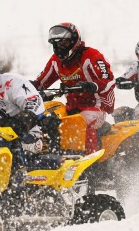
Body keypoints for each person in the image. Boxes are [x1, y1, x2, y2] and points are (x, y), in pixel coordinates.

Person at [32, 22, 115, 153]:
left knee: (81, 123)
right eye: (58, 44)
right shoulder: (56, 61)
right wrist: (26, 87)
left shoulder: (91, 55)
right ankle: (47, 156)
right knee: (45, 120)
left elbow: (110, 81)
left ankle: (92, 165)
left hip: (97, 105)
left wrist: (93, 85)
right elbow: (40, 83)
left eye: (64, 43)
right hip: (72, 107)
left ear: (74, 41)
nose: (61, 47)